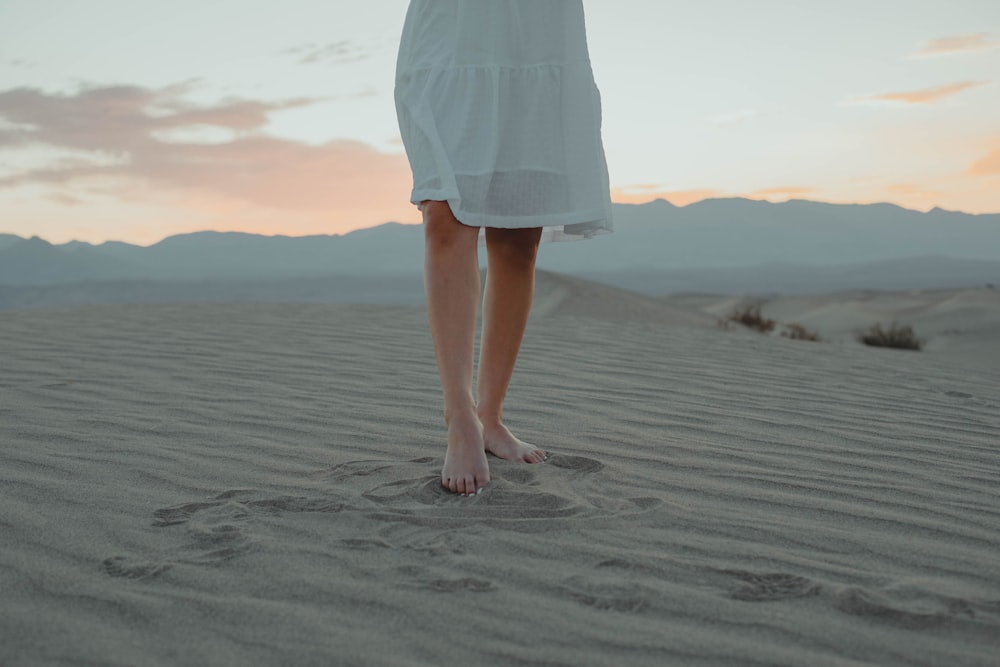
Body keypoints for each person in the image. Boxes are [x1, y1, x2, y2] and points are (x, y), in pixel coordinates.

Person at [394, 0, 613, 496]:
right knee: (443, 214)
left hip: (537, 32)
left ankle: (490, 416)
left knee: (518, 236)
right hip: (452, 28)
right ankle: (460, 417)